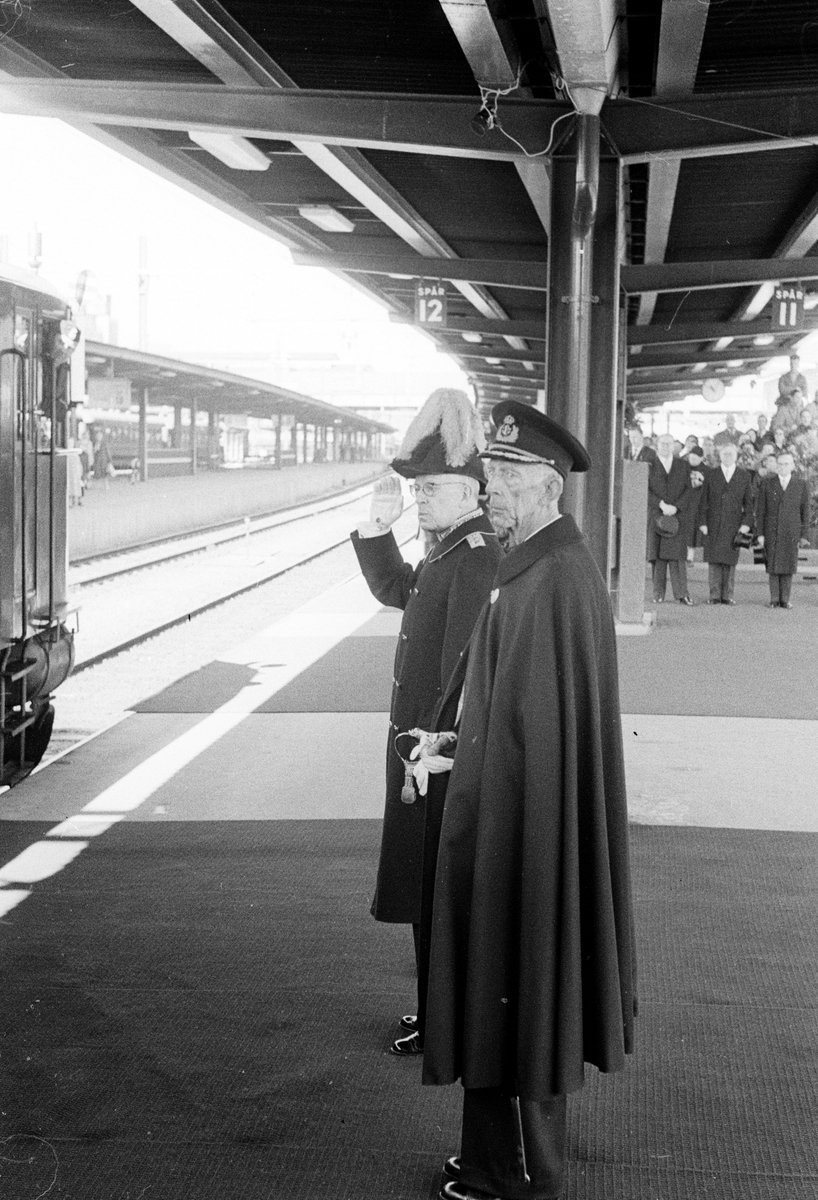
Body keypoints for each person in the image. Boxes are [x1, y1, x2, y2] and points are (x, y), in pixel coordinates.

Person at [419, 401, 635, 1200]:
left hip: (519, 828)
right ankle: (498, 1160)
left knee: (519, 983)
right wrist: (459, 742)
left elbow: (538, 732)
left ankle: (516, 1173)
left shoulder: (553, 580)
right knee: (511, 987)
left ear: (549, 486)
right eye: (491, 476)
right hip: (509, 816)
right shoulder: (537, 568)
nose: (492, 491)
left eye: (507, 478)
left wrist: (469, 765)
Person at [350, 388, 501, 1055]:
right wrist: (378, 530)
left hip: (434, 757)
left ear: (471, 490)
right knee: (425, 884)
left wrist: (437, 753)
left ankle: (447, 1019)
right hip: (421, 753)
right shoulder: (449, 551)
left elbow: (463, 672)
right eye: (418, 488)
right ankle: (437, 1010)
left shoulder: (475, 556)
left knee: (441, 889)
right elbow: (399, 590)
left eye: (432, 487)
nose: (421, 498)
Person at [697, 443, 754, 604]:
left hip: (735, 525)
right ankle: (714, 595)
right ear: (720, 456)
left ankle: (728, 596)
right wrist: (702, 522)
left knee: (730, 560)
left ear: (736, 456)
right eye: (725, 454)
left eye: (731, 454)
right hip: (713, 523)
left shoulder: (744, 476)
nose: (728, 457)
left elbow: (749, 504)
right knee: (714, 559)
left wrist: (746, 523)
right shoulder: (711, 474)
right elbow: (703, 500)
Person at [756, 450, 810, 608]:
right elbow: (761, 511)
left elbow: (805, 512)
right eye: (780, 464)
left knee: (788, 564)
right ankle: (774, 599)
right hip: (771, 530)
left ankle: (785, 599)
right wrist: (760, 533)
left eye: (786, 464)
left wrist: (804, 535)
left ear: (793, 466)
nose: (783, 467)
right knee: (772, 565)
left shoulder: (801, 485)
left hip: (791, 532)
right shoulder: (767, 483)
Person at [647, 433, 695, 605]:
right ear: (657, 445)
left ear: (674, 446)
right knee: (658, 558)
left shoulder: (683, 465)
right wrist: (660, 504)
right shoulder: (649, 465)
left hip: (677, 516)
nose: (666, 446)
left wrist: (676, 507)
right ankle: (658, 594)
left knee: (678, 559)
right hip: (657, 515)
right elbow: (645, 489)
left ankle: (682, 594)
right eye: (663, 443)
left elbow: (689, 490)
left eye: (669, 443)